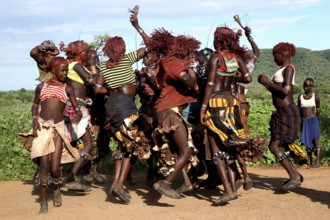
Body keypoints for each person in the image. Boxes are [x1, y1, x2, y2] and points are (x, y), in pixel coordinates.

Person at [94, 7, 151, 203]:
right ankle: (118, 184)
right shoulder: (127, 59)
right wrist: (138, 27)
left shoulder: (103, 67)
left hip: (111, 106)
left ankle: (116, 184)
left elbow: (97, 89)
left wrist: (111, 91)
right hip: (126, 107)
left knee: (122, 144)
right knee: (131, 146)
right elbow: (149, 46)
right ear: (122, 49)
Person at [200, 26, 254, 205]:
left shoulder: (216, 57)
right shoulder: (237, 58)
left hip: (215, 103)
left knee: (216, 149)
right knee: (230, 147)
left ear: (218, 40)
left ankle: (228, 191)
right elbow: (248, 78)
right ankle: (232, 186)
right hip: (232, 104)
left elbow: (209, 84)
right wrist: (234, 75)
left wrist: (203, 108)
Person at [148, 29, 200, 199]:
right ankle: (166, 183)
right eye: (175, 43)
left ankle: (185, 182)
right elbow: (187, 80)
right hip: (170, 112)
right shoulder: (172, 61)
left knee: (177, 149)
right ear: (170, 47)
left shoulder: (165, 62)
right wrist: (192, 76)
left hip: (165, 111)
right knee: (186, 150)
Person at [31, 56, 81, 213]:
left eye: (67, 70)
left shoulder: (67, 88)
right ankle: (44, 202)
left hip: (58, 129)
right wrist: (34, 119)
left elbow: (77, 107)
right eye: (63, 70)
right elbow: (35, 104)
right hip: (43, 128)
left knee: (54, 168)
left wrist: (77, 115)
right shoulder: (42, 87)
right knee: (44, 165)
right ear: (53, 70)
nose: (65, 73)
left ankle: (57, 187)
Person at [258, 42, 303, 190]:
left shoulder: (288, 70)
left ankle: (294, 176)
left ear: (283, 54)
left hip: (286, 111)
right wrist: (266, 84)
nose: (274, 58)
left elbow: (284, 91)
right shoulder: (285, 70)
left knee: (274, 146)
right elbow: (278, 91)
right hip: (283, 112)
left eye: (275, 55)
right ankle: (295, 173)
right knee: (277, 145)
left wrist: (267, 82)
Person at [61, 40, 99, 191]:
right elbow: (93, 81)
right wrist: (93, 66)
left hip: (78, 106)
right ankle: (69, 177)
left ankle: (67, 176)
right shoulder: (74, 66)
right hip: (75, 109)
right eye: (85, 51)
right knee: (88, 145)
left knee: (85, 144)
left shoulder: (75, 66)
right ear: (79, 53)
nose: (87, 53)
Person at [298, 78, 322, 168]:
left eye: (307, 86)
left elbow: (318, 108)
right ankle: (309, 161)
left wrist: (316, 118)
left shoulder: (315, 96)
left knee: (316, 140)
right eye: (304, 86)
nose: (305, 88)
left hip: (313, 120)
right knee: (307, 141)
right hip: (304, 121)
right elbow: (299, 109)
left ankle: (317, 162)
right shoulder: (300, 97)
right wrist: (299, 120)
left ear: (311, 86)